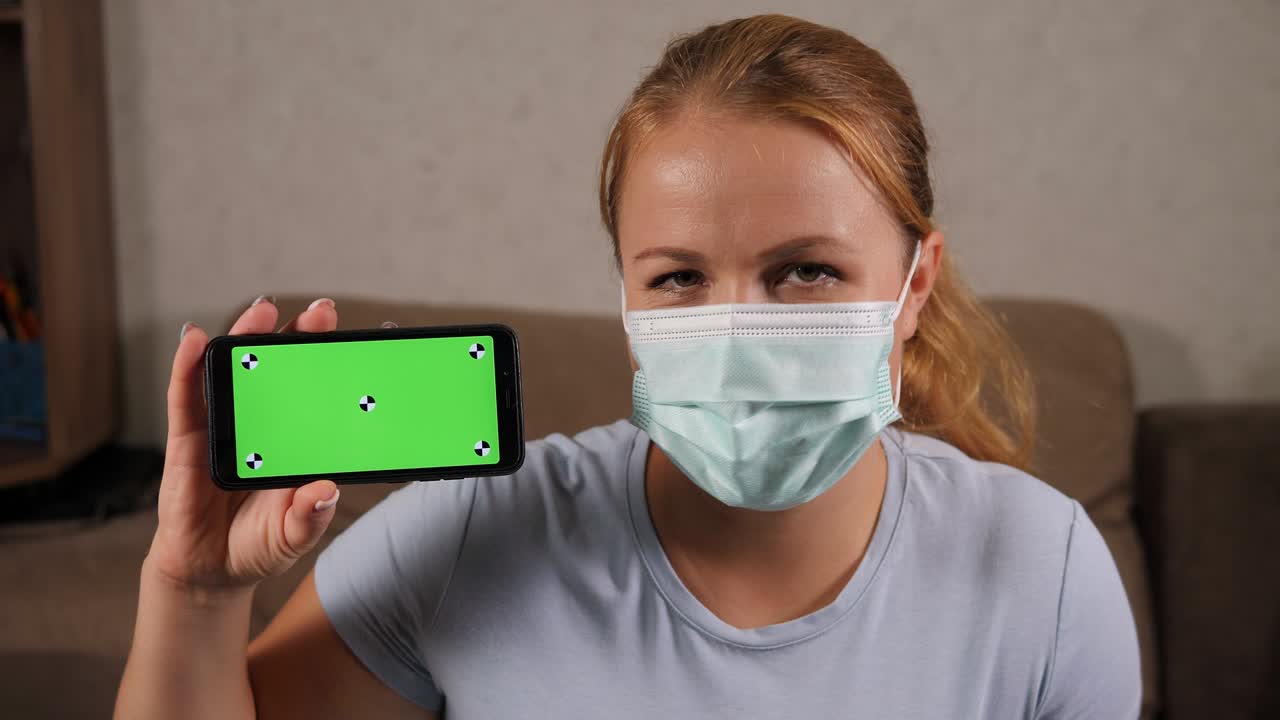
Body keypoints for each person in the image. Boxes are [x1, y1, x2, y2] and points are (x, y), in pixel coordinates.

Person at [115, 14, 1140, 719]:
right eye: (679, 279)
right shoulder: (477, 531)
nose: (735, 327)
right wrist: (194, 588)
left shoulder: (1041, 574)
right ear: (623, 294)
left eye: (804, 272)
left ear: (914, 284)